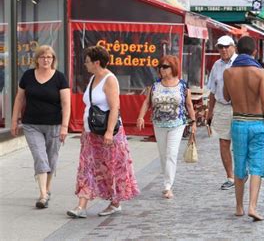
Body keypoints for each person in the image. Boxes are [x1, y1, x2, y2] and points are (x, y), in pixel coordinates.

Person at [67, 46, 139, 218]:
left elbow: (115, 107)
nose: (85, 64)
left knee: (112, 167)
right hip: (91, 132)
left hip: (109, 133)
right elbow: (90, 106)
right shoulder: (93, 79)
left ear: (96, 62)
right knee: (87, 167)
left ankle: (115, 203)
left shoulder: (109, 79)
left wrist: (108, 132)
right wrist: (84, 132)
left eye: (87, 61)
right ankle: (81, 206)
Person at [223, 36, 264, 221]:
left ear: (237, 50)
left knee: (239, 165)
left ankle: (239, 206)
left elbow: (226, 97)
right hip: (257, 123)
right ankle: (252, 206)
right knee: (257, 165)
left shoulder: (228, 72)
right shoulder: (260, 73)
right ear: (255, 52)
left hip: (238, 123)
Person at [11, 45, 70, 209]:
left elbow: (66, 103)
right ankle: (43, 195)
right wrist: (14, 120)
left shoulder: (59, 78)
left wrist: (65, 126)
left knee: (51, 158)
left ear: (53, 60)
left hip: (54, 125)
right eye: (43, 57)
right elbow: (19, 99)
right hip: (31, 124)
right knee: (40, 156)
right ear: (37, 59)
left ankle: (47, 188)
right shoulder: (28, 76)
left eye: (49, 57)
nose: (46, 60)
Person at [137, 55, 197, 199]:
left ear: (173, 68)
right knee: (163, 155)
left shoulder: (182, 86)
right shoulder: (155, 85)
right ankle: (167, 179)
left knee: (171, 153)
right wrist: (140, 116)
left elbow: (189, 105)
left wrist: (193, 122)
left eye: (165, 66)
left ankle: (167, 185)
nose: (161, 69)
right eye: (160, 67)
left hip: (177, 124)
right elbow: (147, 102)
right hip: (159, 123)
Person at [206, 35, 238, 190]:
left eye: (226, 46)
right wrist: (209, 111)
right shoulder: (217, 65)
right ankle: (230, 177)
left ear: (233, 47)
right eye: (220, 47)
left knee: (239, 143)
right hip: (222, 107)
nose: (223, 50)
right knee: (224, 142)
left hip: (239, 107)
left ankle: (240, 174)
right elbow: (212, 90)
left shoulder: (239, 63)